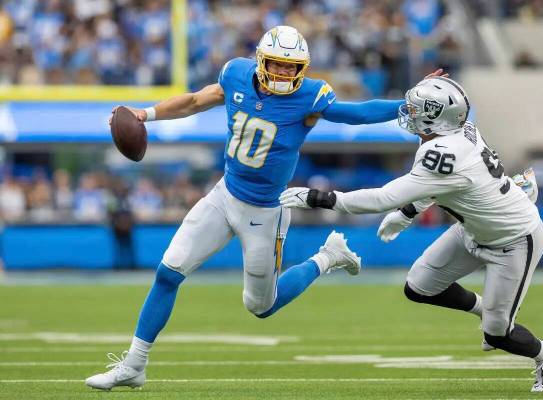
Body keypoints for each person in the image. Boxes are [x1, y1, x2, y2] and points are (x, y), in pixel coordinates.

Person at [85, 25, 446, 390]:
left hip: (265, 212)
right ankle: (134, 364)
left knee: (261, 306)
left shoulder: (309, 96)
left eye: (293, 67)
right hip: (223, 195)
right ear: (261, 61)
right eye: (278, 64)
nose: (286, 73)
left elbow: (356, 114)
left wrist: (406, 104)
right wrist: (145, 114)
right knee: (168, 272)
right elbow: (195, 100)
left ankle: (327, 258)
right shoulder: (236, 74)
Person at [280, 76, 543, 393]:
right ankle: (488, 308)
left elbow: (384, 197)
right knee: (419, 287)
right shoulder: (458, 132)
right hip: (473, 227)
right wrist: (407, 213)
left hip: (513, 241)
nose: (408, 113)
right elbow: (445, 186)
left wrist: (323, 198)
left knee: (498, 334)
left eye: (416, 109)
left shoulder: (443, 154)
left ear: (437, 117)